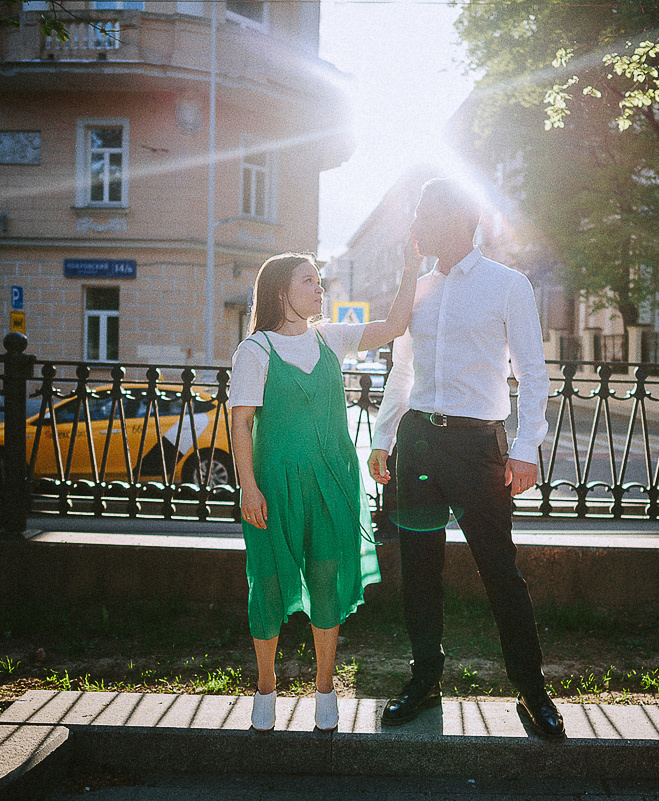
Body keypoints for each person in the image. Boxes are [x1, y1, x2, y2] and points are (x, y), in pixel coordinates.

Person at [367, 179, 564, 740]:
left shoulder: (508, 285)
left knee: (501, 573)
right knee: (419, 574)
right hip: (420, 444)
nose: (415, 226)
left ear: (459, 220)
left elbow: (533, 371)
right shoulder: (420, 290)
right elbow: (401, 373)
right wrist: (383, 439)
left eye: (425, 214)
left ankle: (532, 690)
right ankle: (425, 680)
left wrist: (525, 450)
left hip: (479, 447)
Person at [230, 249, 419, 732]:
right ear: (280, 291)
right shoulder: (255, 351)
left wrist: (411, 263)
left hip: (334, 483)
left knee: (327, 584)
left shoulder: (331, 338)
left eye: (319, 281)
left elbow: (396, 324)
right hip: (275, 488)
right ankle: (266, 687)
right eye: (309, 281)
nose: (320, 289)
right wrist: (247, 488)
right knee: (268, 585)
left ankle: (325, 688)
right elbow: (241, 422)